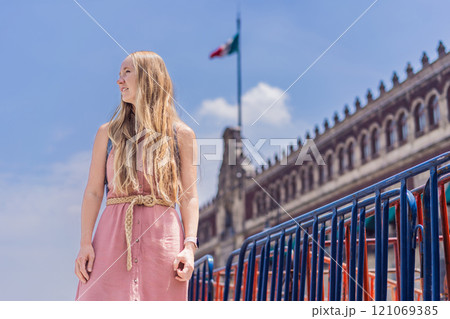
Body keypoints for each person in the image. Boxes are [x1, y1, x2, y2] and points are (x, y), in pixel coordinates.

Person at [74, 51, 199, 301]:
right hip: (111, 240)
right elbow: (94, 191)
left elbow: (188, 196)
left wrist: (189, 246)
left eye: (127, 72)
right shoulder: (107, 134)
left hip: (163, 241)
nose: (119, 80)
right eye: (119, 74)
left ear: (149, 78)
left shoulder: (182, 135)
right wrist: (85, 243)